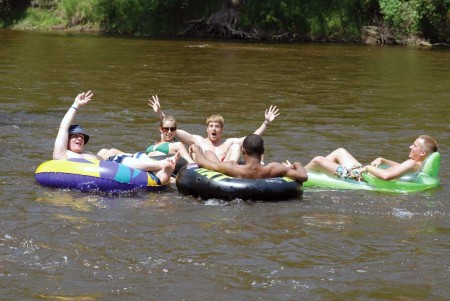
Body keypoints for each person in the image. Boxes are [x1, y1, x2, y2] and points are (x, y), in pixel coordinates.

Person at [52, 90, 178, 185]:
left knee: (126, 158)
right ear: (66, 140)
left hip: (118, 160)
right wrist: (75, 105)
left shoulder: (87, 153)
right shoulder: (63, 155)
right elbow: (63, 128)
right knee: (128, 163)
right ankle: (163, 170)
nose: (79, 139)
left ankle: (164, 171)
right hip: (114, 165)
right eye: (75, 137)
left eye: (81, 137)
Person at [148, 95, 280, 163]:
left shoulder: (228, 142)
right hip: (203, 171)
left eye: (217, 126)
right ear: (207, 129)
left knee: (236, 146)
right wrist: (160, 112)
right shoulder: (197, 140)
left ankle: (230, 171)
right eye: (211, 126)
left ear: (222, 130)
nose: (214, 129)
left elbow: (252, 139)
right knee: (196, 148)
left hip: (226, 170)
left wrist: (266, 123)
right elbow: (171, 128)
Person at [305, 135, 438, 181]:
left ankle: (298, 175)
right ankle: (308, 171)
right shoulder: (416, 165)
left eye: (414, 146)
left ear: (422, 153)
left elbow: (386, 177)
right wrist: (383, 159)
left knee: (318, 160)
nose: (410, 147)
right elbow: (398, 167)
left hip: (360, 178)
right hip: (363, 174)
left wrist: (368, 168)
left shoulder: (412, 163)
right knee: (340, 151)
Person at [189, 134, 308, 182]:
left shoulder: (232, 167)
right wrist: (297, 163)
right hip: (263, 176)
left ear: (243, 151)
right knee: (210, 153)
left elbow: (201, 161)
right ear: (262, 152)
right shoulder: (273, 168)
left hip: (236, 180)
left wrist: (196, 149)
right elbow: (303, 176)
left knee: (209, 153)